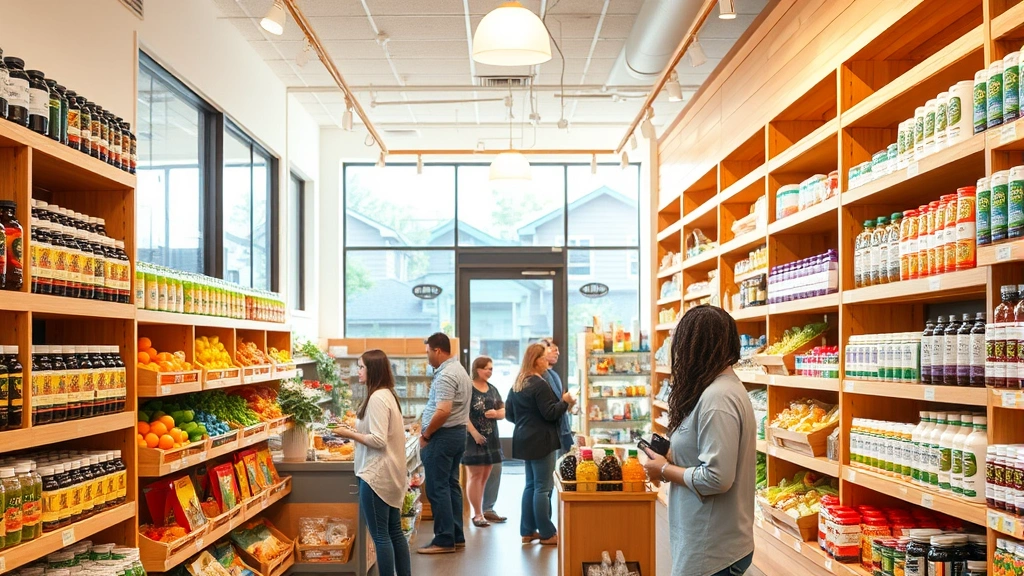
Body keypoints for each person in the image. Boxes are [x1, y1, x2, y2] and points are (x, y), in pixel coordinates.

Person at [640, 305, 756, 576]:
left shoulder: (718, 398)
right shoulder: (717, 388)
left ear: (696, 347)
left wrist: (664, 470)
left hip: (713, 549)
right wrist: (671, 454)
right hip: (713, 543)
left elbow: (717, 478)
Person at [332, 350, 411, 576]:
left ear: (372, 370)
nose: (358, 371)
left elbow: (377, 440)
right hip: (390, 474)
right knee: (394, 531)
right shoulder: (387, 394)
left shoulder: (377, 398)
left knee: (380, 536)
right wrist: (352, 429)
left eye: (361, 367)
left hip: (376, 476)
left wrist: (347, 434)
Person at [505, 343, 576, 546]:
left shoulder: (518, 383)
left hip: (523, 438)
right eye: (544, 358)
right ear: (536, 361)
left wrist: (527, 421)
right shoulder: (540, 384)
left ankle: (527, 530)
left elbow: (510, 414)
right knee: (543, 488)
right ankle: (546, 533)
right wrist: (566, 401)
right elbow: (551, 413)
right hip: (542, 439)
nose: (548, 361)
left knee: (530, 485)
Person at [418, 332, 472, 554]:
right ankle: (456, 535)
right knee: (451, 485)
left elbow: (443, 410)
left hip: (442, 436)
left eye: (428, 352)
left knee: (437, 487)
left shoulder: (446, 375)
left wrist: (427, 434)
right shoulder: (459, 369)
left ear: (437, 350)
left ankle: (443, 539)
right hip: (457, 434)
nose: (428, 356)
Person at [463, 356, 505, 527]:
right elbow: (462, 414)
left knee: (486, 474)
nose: (489, 371)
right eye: (486, 368)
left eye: (491, 369)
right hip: (473, 439)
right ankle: (477, 514)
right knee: (475, 475)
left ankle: (484, 510)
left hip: (491, 438)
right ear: (477, 369)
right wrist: (474, 434)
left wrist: (496, 414)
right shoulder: (468, 389)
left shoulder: (493, 389)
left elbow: (503, 410)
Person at [539, 338, 573, 454]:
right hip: (552, 433)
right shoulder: (540, 376)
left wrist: (568, 403)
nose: (557, 353)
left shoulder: (552, 374)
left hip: (561, 428)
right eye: (553, 349)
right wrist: (565, 401)